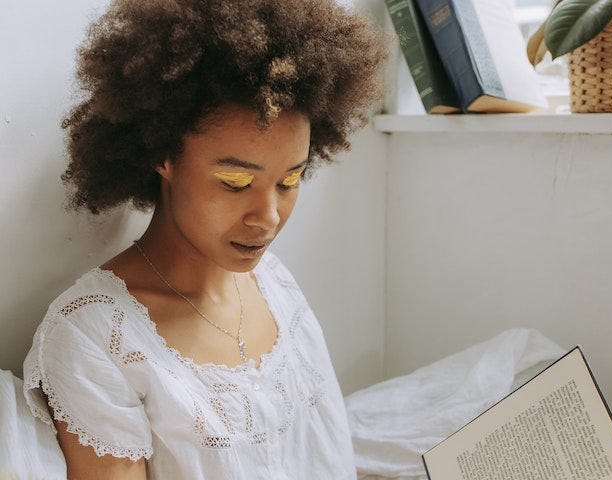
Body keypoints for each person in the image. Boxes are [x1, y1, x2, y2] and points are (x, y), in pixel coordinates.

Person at [21, 0, 388, 478]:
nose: (268, 218)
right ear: (163, 155)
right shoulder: (96, 338)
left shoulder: (274, 285)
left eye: (290, 180)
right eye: (235, 182)